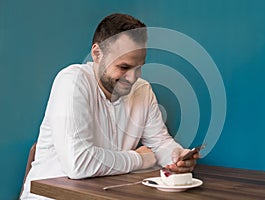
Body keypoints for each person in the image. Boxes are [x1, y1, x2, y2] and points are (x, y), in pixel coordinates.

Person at [20, 13, 199, 199]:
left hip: (101, 194)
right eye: (123, 67)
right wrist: (139, 159)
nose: (132, 78)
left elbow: (160, 143)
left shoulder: (143, 89)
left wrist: (176, 157)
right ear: (97, 54)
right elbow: (78, 164)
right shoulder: (72, 81)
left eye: (139, 67)